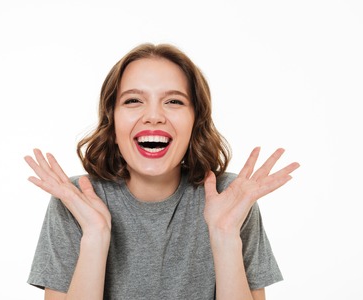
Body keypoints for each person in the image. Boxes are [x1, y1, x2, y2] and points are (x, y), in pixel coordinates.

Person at [24, 43, 300, 300]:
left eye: (174, 102)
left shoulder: (230, 197)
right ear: (112, 119)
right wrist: (95, 234)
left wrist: (224, 234)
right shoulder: (76, 199)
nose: (153, 116)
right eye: (133, 101)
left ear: (195, 120)